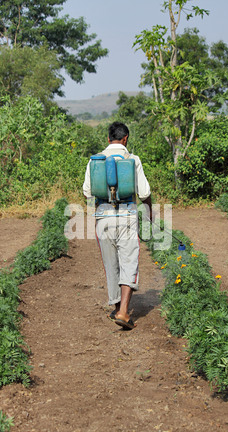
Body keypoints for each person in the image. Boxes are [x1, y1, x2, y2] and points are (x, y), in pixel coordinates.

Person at [83, 122, 152, 330]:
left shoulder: (95, 161)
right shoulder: (133, 160)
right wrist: (149, 214)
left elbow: (87, 192)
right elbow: (145, 193)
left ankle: (115, 307)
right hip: (127, 214)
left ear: (108, 139)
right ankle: (123, 311)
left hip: (103, 216)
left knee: (110, 263)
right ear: (126, 139)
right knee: (129, 261)